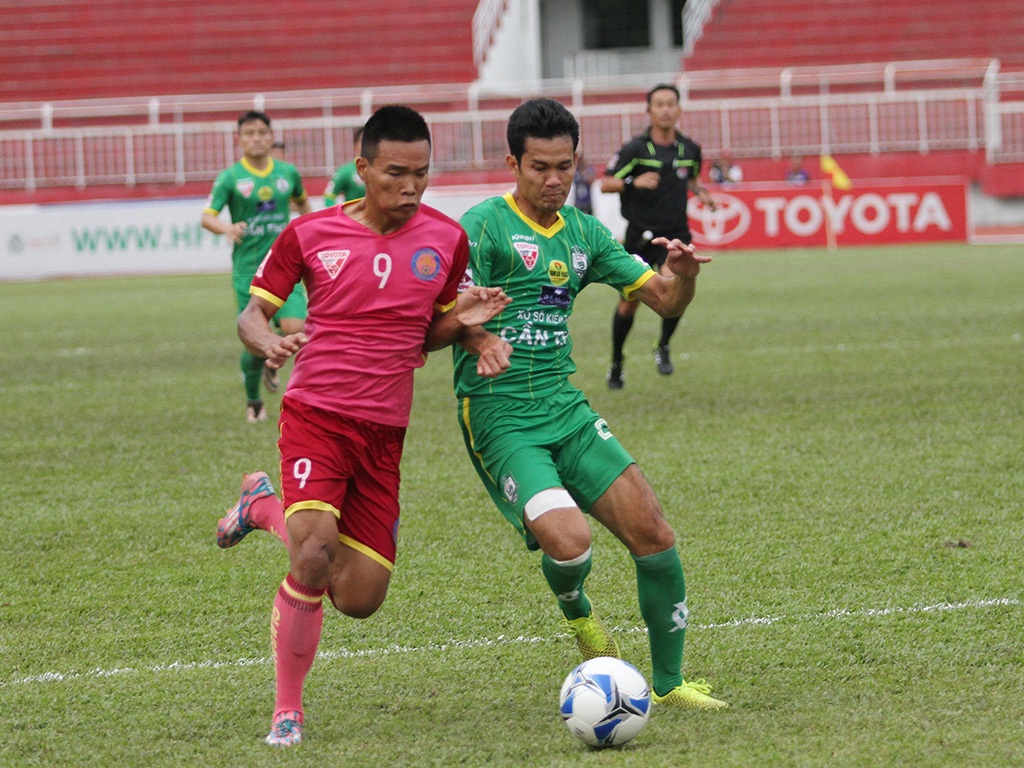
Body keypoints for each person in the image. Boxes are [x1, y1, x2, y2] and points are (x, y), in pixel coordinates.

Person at [214, 105, 510, 748]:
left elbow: (429, 333)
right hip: (315, 415)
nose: (410, 187)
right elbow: (251, 315)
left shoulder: (445, 239)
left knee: (359, 597)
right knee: (314, 554)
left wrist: (472, 327)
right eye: (396, 173)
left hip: (384, 432)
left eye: (422, 174)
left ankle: (261, 506)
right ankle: (287, 713)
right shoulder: (309, 234)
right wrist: (266, 341)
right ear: (363, 168)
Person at [454, 98, 728, 712]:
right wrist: (477, 334)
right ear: (513, 164)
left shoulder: (583, 232)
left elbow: (665, 300)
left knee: (654, 534)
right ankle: (578, 610)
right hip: (501, 415)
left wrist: (684, 275)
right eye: (539, 167)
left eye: (565, 166)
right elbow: (441, 311)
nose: (554, 180)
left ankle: (669, 682)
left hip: (565, 408)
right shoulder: (481, 227)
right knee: (572, 542)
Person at [600, 83, 717, 389]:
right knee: (628, 304)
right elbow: (605, 183)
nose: (665, 109)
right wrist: (633, 182)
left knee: (676, 291)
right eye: (659, 104)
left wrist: (703, 194)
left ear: (679, 110)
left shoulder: (690, 149)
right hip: (640, 236)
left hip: (675, 235)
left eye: (670, 104)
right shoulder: (635, 149)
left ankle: (663, 344)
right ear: (649, 111)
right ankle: (616, 361)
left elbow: (691, 179)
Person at [201, 110, 312, 422]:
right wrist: (227, 228)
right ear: (239, 139)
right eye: (249, 134)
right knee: (255, 343)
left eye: (262, 132)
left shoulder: (288, 173)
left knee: (296, 328)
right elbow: (207, 217)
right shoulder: (231, 178)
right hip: (248, 270)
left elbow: (303, 202)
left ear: (271, 136)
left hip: (285, 266)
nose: (257, 139)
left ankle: (273, 356)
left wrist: (311, 228)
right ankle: (254, 401)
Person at [323, 127, 366, 206]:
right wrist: (338, 212)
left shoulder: (380, 170)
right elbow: (328, 196)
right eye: (364, 141)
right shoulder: (346, 171)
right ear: (355, 145)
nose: (368, 145)